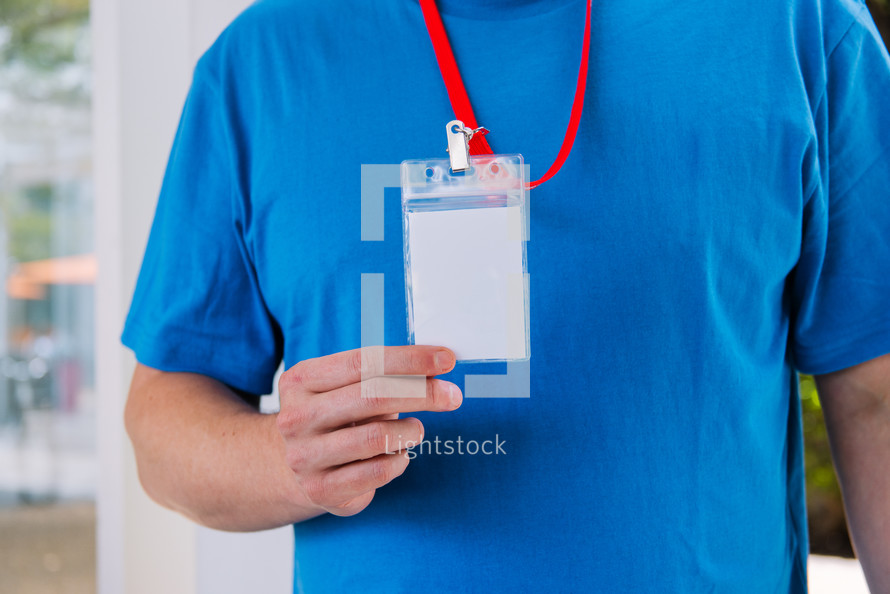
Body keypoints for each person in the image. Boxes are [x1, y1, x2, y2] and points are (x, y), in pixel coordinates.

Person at [121, 0, 890, 591]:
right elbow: (163, 417)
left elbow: (875, 394)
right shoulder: (260, 64)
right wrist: (281, 461)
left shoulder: (795, 26)